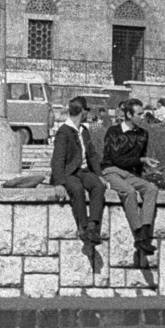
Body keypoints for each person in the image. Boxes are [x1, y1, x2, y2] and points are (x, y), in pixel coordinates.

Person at [102, 99, 161, 266]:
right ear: (128, 114)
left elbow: (138, 160)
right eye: (139, 114)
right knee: (128, 191)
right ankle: (137, 233)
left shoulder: (143, 134)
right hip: (112, 170)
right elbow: (115, 158)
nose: (142, 117)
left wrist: (143, 164)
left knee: (151, 189)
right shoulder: (113, 131)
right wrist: (141, 159)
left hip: (131, 173)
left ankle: (144, 233)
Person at [49, 96, 107, 245]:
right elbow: (58, 159)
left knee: (98, 186)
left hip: (83, 171)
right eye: (87, 110)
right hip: (68, 172)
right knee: (77, 189)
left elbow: (92, 154)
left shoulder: (84, 130)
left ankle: (92, 227)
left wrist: (99, 175)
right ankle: (83, 227)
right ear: (83, 111)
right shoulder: (64, 131)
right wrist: (59, 182)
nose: (87, 113)